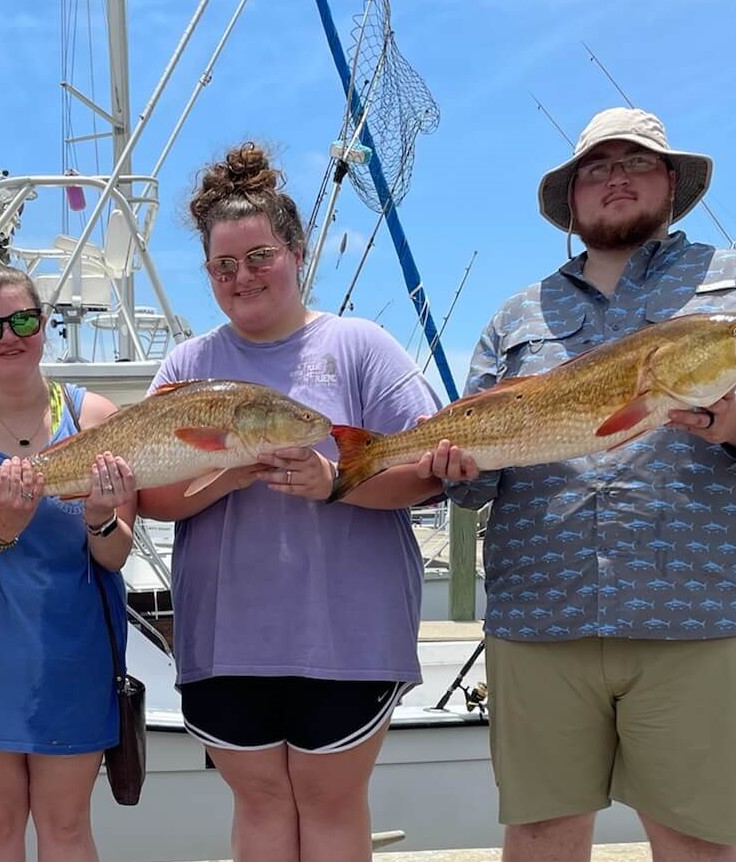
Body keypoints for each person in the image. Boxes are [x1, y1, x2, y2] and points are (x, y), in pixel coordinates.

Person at [423, 107, 736, 862]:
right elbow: (477, 476)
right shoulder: (515, 316)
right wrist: (456, 476)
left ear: (672, 182)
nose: (615, 178)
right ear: (571, 199)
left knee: (698, 840)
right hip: (541, 614)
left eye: (636, 162)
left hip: (704, 612)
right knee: (537, 836)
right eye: (595, 168)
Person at [136, 142, 443, 862]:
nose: (242, 277)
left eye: (260, 256)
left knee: (332, 807)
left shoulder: (360, 347)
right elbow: (155, 499)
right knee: (261, 807)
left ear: (298, 252)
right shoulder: (188, 366)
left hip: (347, 637)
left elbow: (429, 471)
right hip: (225, 637)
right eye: (223, 265)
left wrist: (334, 482)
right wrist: (227, 474)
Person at [0, 263, 137, 862]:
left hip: (73, 655)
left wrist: (99, 514)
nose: (7, 336)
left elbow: (114, 555)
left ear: (43, 325)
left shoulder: (97, 420)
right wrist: (1, 530)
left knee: (67, 828)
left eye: (21, 320)